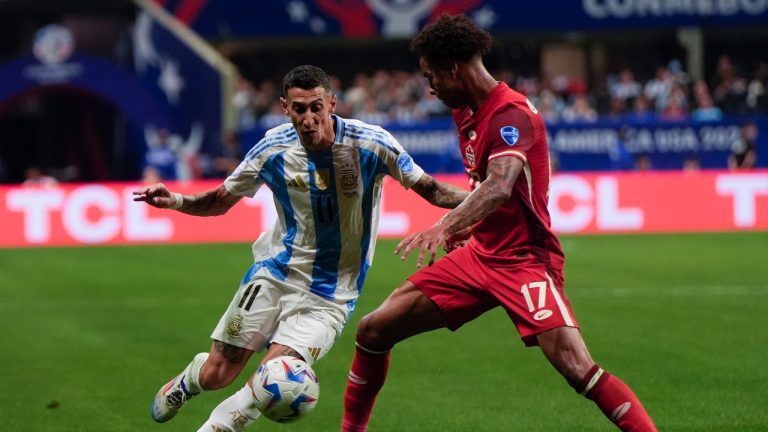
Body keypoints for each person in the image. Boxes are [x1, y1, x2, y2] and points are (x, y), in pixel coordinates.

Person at [341, 15, 657, 432]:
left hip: (525, 260)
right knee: (374, 329)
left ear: (454, 69)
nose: (430, 88)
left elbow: (500, 186)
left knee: (576, 366)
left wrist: (448, 225)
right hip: (478, 256)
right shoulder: (466, 111)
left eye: (431, 76)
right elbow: (481, 190)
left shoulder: (511, 114)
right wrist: (463, 222)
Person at [133, 65, 468, 431]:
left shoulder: (371, 144)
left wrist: (482, 202)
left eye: (316, 107)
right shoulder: (272, 149)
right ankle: (187, 383)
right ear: (284, 107)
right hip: (276, 272)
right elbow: (220, 200)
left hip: (332, 293)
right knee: (219, 372)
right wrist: (177, 200)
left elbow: (432, 190)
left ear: (331, 104)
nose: (308, 119)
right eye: (299, 109)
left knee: (272, 378)